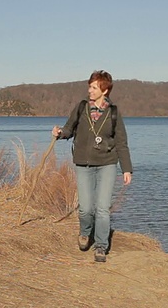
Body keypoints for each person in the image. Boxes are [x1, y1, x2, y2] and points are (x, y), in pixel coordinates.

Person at [51, 70, 133, 263]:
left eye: (94, 87)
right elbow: (69, 129)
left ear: (104, 90)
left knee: (102, 208)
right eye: (90, 86)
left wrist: (127, 169)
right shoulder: (81, 108)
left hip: (107, 164)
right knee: (86, 209)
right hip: (84, 164)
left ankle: (101, 247)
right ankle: (85, 232)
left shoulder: (113, 112)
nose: (90, 90)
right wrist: (60, 132)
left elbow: (121, 142)